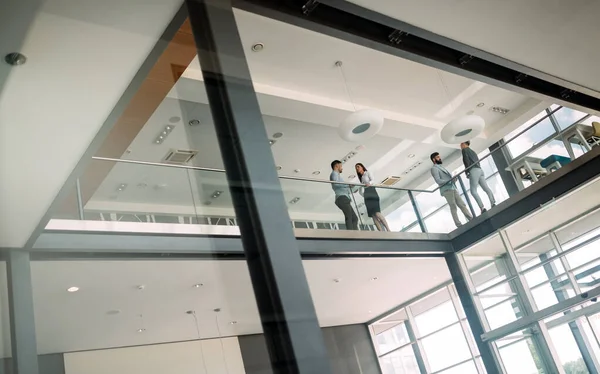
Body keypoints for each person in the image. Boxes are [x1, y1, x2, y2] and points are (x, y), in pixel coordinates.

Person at [430, 152, 473, 227]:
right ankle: (458, 224)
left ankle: (471, 218)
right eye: (437, 157)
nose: (439, 158)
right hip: (447, 189)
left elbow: (448, 178)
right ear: (433, 159)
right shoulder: (434, 169)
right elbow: (438, 181)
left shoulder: (442, 167)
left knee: (462, 204)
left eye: (439, 157)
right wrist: (450, 181)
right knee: (453, 206)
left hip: (453, 187)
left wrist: (453, 179)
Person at [461, 141, 496, 213]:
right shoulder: (473, 151)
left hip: (473, 170)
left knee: (473, 191)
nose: (460, 146)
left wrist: (467, 172)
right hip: (480, 170)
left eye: (461, 144)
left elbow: (466, 161)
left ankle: (482, 208)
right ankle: (493, 203)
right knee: (486, 188)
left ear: (464, 144)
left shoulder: (464, 150)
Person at [355, 163, 390, 231]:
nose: (357, 169)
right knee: (373, 216)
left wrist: (369, 184)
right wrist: (364, 195)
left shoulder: (367, 172)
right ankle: (381, 232)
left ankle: (388, 230)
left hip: (372, 192)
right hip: (367, 196)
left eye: (358, 167)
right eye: (356, 168)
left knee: (377, 213)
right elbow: (360, 190)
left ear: (362, 167)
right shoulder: (361, 178)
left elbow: (373, 180)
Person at [330, 160, 359, 230]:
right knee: (349, 217)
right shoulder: (334, 174)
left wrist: (352, 189)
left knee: (354, 218)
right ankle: (351, 235)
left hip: (344, 197)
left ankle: (355, 234)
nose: (342, 168)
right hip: (341, 198)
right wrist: (348, 185)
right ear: (336, 166)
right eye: (341, 166)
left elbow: (342, 187)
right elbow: (336, 184)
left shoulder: (338, 176)